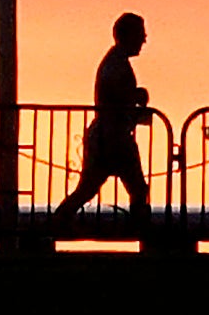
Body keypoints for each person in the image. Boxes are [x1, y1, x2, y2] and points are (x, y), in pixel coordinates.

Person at [52, 12, 152, 227]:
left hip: (107, 137)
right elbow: (117, 98)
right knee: (134, 188)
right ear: (128, 35)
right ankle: (142, 231)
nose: (144, 39)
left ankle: (56, 223)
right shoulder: (116, 64)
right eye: (140, 34)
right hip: (113, 138)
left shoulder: (114, 61)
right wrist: (137, 97)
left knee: (89, 189)